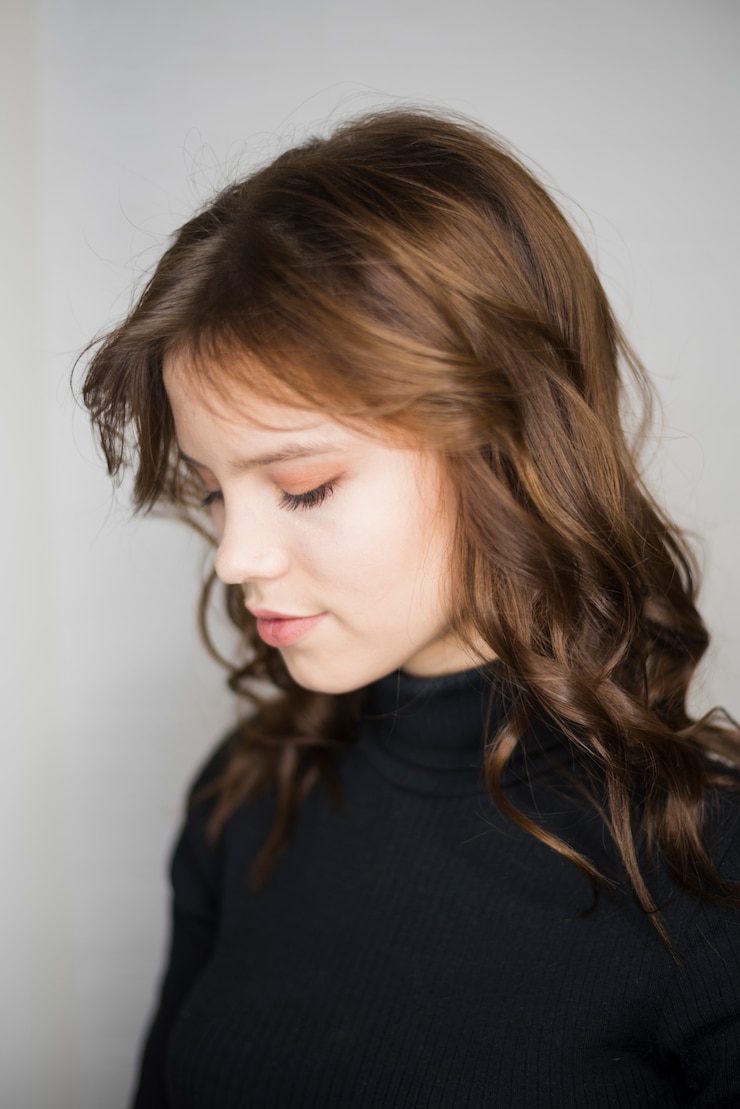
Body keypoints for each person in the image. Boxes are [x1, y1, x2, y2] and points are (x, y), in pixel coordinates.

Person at [82, 108, 740, 1108]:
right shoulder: (249, 791)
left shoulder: (707, 863)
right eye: (213, 489)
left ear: (506, 446)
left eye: (303, 484)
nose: (234, 557)